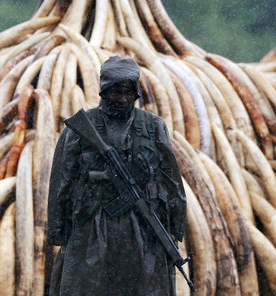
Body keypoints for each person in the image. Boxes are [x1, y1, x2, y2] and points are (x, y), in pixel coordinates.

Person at [47, 56, 187, 296]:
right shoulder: (83, 127)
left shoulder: (153, 126)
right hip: (92, 229)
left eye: (128, 92)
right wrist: (59, 232)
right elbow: (62, 180)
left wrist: (175, 228)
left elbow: (173, 181)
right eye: (115, 92)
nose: (122, 99)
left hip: (144, 232)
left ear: (136, 93)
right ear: (103, 91)